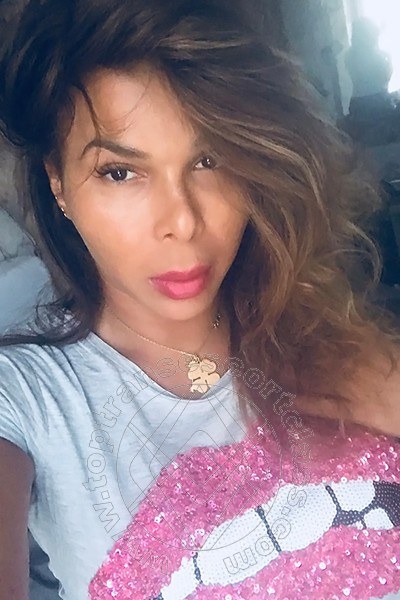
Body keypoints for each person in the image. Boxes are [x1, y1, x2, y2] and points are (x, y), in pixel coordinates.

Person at [0, 1, 399, 599]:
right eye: (120, 172)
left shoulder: (324, 326)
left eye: (210, 160)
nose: (183, 221)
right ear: (58, 181)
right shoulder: (29, 402)